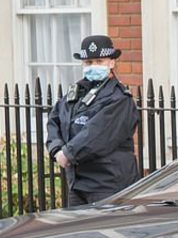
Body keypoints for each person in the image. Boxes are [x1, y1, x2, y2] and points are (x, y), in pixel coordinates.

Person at [45, 34, 139, 207]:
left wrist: (68, 154)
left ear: (112, 63)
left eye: (99, 61)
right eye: (88, 62)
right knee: (77, 232)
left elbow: (97, 134)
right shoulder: (76, 93)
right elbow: (55, 120)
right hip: (77, 182)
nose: (93, 66)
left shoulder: (119, 99)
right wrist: (56, 149)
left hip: (108, 183)